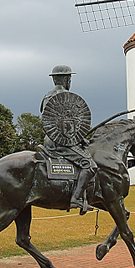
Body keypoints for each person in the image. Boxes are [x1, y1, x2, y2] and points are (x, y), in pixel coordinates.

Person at [40, 65, 97, 215]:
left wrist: (80, 138)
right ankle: (76, 198)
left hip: (50, 139)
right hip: (61, 143)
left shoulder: (47, 96)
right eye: (69, 78)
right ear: (67, 79)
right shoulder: (67, 97)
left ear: (54, 79)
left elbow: (47, 121)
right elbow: (66, 126)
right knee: (89, 165)